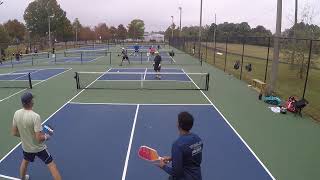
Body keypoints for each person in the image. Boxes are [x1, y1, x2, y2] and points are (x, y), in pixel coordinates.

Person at [11, 92, 62, 180]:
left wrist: (26, 136)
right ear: (31, 102)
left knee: (25, 162)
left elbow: (14, 133)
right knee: (52, 166)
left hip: (26, 147)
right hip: (39, 148)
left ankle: (23, 178)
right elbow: (39, 138)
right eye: (32, 99)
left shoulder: (16, 113)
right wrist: (46, 136)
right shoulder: (35, 117)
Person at [157, 112, 203, 180]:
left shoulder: (177, 145)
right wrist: (173, 158)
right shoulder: (198, 139)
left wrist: (163, 166)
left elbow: (177, 173)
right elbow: (193, 157)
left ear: (178, 124)